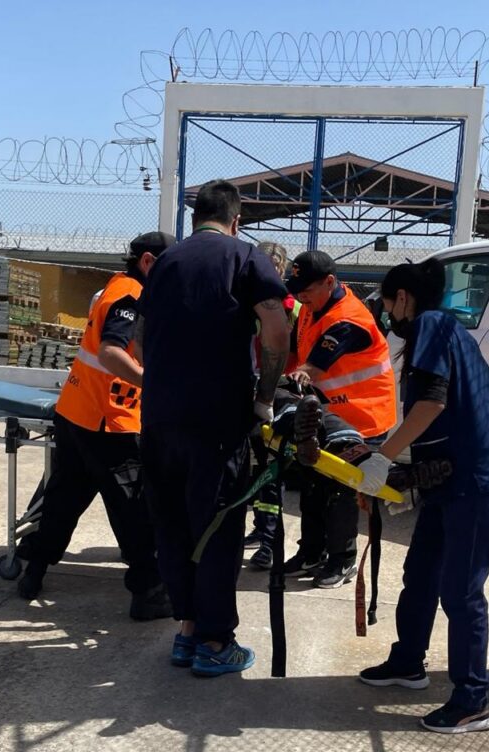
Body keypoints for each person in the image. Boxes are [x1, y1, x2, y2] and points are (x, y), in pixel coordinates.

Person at [138, 179, 290, 676]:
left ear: (195, 216)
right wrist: (264, 399)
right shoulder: (245, 257)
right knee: (217, 528)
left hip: (159, 418)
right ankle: (215, 642)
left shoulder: (164, 263)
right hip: (216, 422)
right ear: (235, 220)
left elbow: (139, 341)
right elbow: (276, 332)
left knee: (173, 527)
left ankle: (187, 630)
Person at [356, 258, 489, 735]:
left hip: (472, 482)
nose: (388, 315)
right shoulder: (444, 331)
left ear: (403, 298)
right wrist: (407, 473)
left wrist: (381, 458)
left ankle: (473, 700)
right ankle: (408, 662)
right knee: (420, 573)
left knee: (461, 591)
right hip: (447, 478)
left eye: (387, 304)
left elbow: (431, 403)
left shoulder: (431, 325)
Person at [17, 230, 176, 621]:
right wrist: (155, 384)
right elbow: (110, 352)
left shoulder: (113, 286)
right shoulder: (131, 296)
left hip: (76, 412)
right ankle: (148, 593)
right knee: (134, 510)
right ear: (149, 263)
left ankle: (34, 571)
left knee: (64, 498)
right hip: (108, 421)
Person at [283, 250, 397, 587]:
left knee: (342, 493)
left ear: (330, 282)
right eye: (297, 291)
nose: (301, 298)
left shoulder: (349, 320)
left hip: (362, 419)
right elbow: (294, 354)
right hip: (327, 416)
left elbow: (310, 369)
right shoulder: (310, 309)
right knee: (313, 487)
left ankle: (342, 559)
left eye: (307, 291)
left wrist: (274, 387)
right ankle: (312, 552)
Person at [245, 240, 301, 571]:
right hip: (253, 390)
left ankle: (269, 543)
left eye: (273, 265)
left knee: (270, 470)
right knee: (255, 468)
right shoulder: (249, 302)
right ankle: (260, 530)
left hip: (278, 393)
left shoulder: (292, 307)